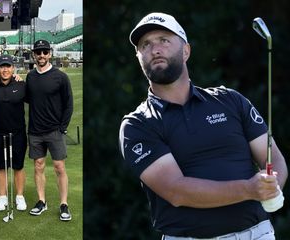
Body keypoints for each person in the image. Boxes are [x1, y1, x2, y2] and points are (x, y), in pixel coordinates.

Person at [119, 12, 287, 239]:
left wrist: (272, 185)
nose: (155, 49)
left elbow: (273, 159)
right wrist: (249, 189)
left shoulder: (230, 100)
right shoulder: (137, 125)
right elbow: (176, 191)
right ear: (138, 56)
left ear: (186, 51)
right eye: (145, 45)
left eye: (164, 40)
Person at [26, 39, 74, 221]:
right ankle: (41, 201)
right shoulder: (30, 76)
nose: (41, 55)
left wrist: (62, 128)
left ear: (50, 54)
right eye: (38, 52)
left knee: (59, 167)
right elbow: (29, 99)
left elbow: (68, 104)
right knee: (38, 166)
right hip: (35, 131)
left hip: (55, 130)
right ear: (34, 55)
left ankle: (64, 204)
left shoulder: (60, 77)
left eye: (45, 52)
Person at [0, 55, 28, 211]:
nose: (5, 69)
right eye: (2, 66)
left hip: (18, 133)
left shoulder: (21, 85)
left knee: (18, 166)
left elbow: (36, 101)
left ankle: (19, 196)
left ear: (13, 68)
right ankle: (3, 197)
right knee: (1, 167)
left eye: (8, 66)